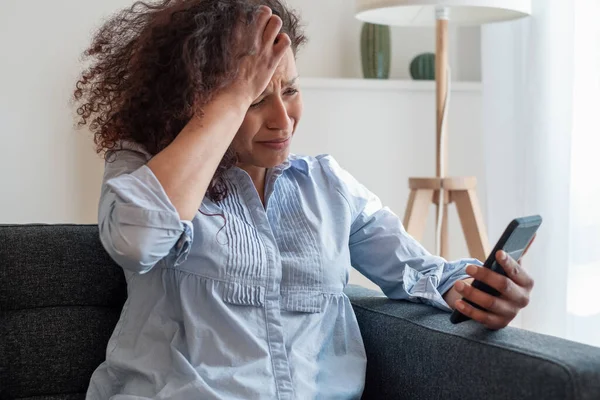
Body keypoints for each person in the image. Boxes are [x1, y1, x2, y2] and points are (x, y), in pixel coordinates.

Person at [73, 0, 535, 398]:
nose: (283, 120)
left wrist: (480, 291)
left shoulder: (327, 185)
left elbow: (420, 270)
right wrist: (234, 94)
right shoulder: (143, 167)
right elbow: (136, 240)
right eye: (256, 99)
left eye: (290, 90)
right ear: (198, 102)